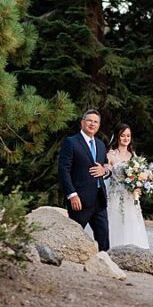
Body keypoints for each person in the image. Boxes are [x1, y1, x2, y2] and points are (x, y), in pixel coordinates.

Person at [58, 108, 111, 251]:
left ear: (99, 125)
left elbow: (106, 166)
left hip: (99, 200)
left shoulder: (100, 144)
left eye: (96, 122)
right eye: (89, 121)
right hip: (79, 201)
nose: (92, 124)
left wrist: (104, 171)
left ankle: (104, 267)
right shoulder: (71, 142)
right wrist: (72, 195)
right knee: (73, 237)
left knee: (103, 238)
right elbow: (64, 170)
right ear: (82, 122)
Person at [103, 123, 151, 249]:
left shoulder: (133, 155)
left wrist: (139, 184)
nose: (125, 138)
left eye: (128, 136)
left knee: (131, 221)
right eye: (122, 135)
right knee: (115, 221)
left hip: (130, 196)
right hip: (115, 195)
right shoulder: (111, 155)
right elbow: (106, 173)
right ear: (117, 136)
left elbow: (137, 174)